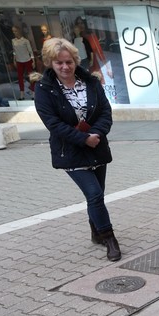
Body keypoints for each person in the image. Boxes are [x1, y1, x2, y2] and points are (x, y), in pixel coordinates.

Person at [33, 38, 121, 261]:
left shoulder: (91, 82)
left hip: (97, 146)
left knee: (97, 196)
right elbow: (53, 124)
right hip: (71, 151)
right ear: (50, 63)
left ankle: (96, 232)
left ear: (75, 61)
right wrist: (83, 139)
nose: (65, 67)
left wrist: (97, 135)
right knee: (94, 194)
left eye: (69, 62)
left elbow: (105, 113)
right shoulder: (45, 89)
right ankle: (109, 237)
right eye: (59, 63)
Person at [10, 26, 35, 100]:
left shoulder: (25, 41)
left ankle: (33, 92)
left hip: (27, 60)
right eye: (13, 31)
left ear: (19, 31)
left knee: (31, 76)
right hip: (19, 60)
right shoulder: (13, 41)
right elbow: (14, 51)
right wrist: (14, 59)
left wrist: (33, 60)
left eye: (15, 31)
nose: (14, 33)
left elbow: (30, 51)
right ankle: (22, 94)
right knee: (20, 77)